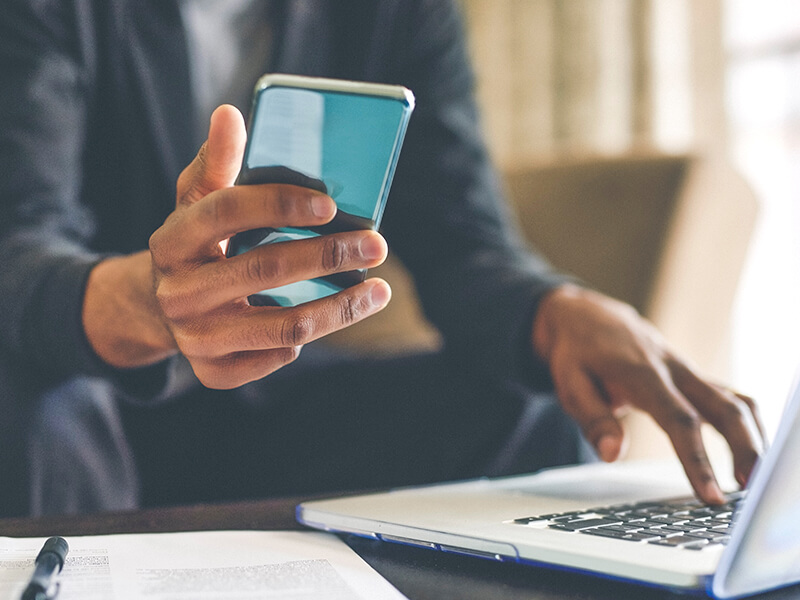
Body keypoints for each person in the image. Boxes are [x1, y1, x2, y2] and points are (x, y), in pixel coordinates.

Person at [0, 0, 765, 517]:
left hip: (275, 410)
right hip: (93, 385)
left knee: (530, 415)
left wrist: (556, 309)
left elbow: (463, 240)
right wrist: (154, 305)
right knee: (39, 405)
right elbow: (20, 239)